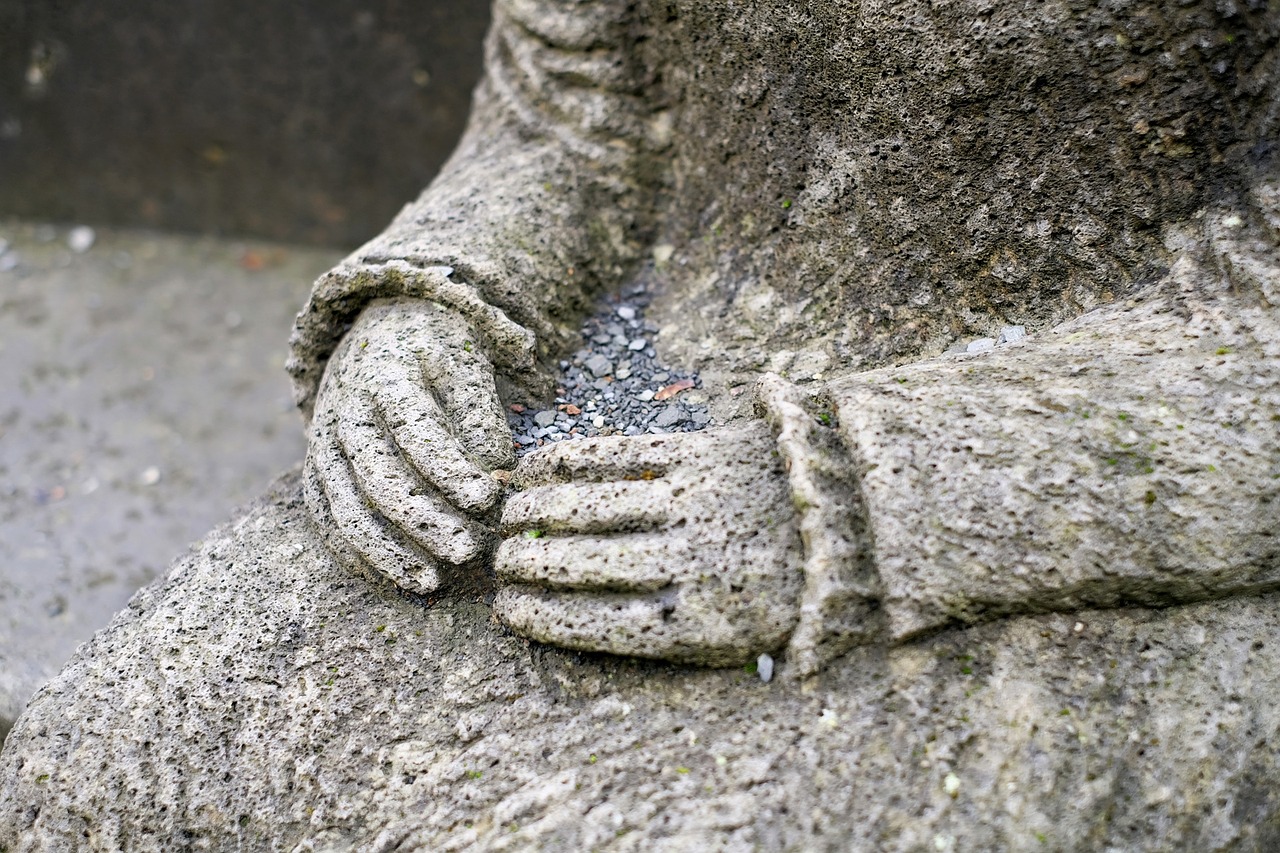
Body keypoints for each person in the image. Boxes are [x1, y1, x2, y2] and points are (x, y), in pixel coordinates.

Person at [290, 0, 1278, 677]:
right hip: (632, 361)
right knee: (173, 707)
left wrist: (854, 498)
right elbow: (563, 126)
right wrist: (427, 305)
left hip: (1052, 494)